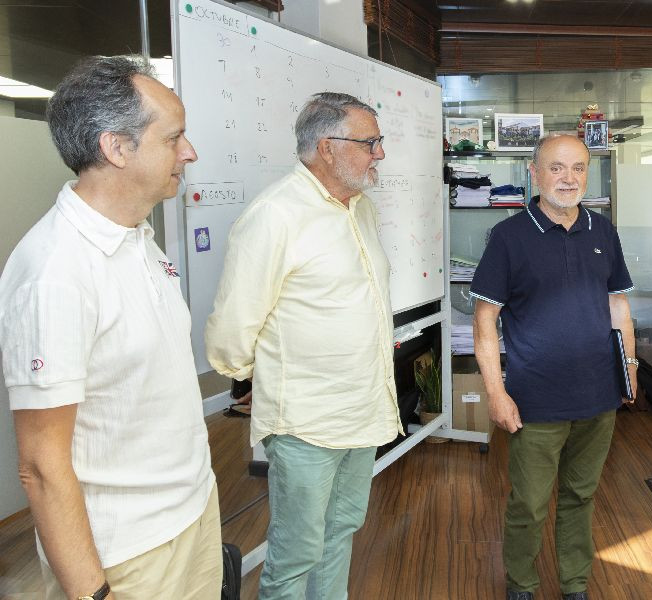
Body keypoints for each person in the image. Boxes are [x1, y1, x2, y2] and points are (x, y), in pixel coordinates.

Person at [0, 56, 220, 600]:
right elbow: (40, 466)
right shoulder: (54, 273)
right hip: (127, 553)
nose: (189, 152)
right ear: (116, 148)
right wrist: (94, 594)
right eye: (173, 138)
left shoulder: (139, 238)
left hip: (194, 512)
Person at [205, 92, 401, 600]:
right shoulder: (275, 215)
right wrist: (258, 379)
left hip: (363, 409)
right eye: (370, 142)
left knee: (340, 532)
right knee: (295, 553)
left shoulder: (360, 209)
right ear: (327, 148)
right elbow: (232, 328)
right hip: (306, 421)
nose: (380, 153)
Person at [471, 133, 637, 600]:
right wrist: (496, 393)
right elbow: (485, 322)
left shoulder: (603, 231)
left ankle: (574, 584)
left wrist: (629, 368)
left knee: (581, 496)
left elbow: (618, 306)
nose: (569, 178)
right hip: (535, 400)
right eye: (557, 168)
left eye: (579, 168)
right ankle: (521, 585)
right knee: (529, 502)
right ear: (534, 173)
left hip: (598, 396)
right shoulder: (508, 237)